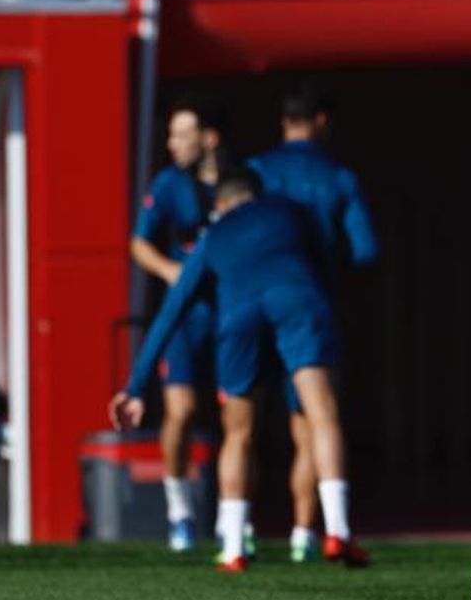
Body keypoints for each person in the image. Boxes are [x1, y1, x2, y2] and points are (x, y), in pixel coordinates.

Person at [111, 168, 368, 573]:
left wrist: (136, 385)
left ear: (221, 204)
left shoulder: (213, 235)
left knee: (238, 433)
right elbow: (328, 260)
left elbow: (171, 311)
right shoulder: (291, 210)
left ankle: (233, 546)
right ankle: (337, 530)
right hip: (296, 301)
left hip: (238, 316)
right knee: (321, 415)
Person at [248, 86, 378, 563]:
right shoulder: (338, 178)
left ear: (284, 120)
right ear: (322, 120)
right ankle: (310, 531)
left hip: (253, 306)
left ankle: (234, 534)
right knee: (314, 418)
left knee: (241, 424)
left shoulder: (256, 172)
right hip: (309, 310)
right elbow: (365, 250)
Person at [128, 99, 225, 553]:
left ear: (209, 138)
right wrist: (172, 272)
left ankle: (233, 517)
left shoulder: (238, 181)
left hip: (228, 311)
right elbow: (139, 244)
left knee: (237, 414)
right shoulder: (168, 184)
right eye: (170, 134)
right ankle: (179, 512)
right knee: (181, 410)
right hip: (185, 315)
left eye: (182, 134)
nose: (173, 144)